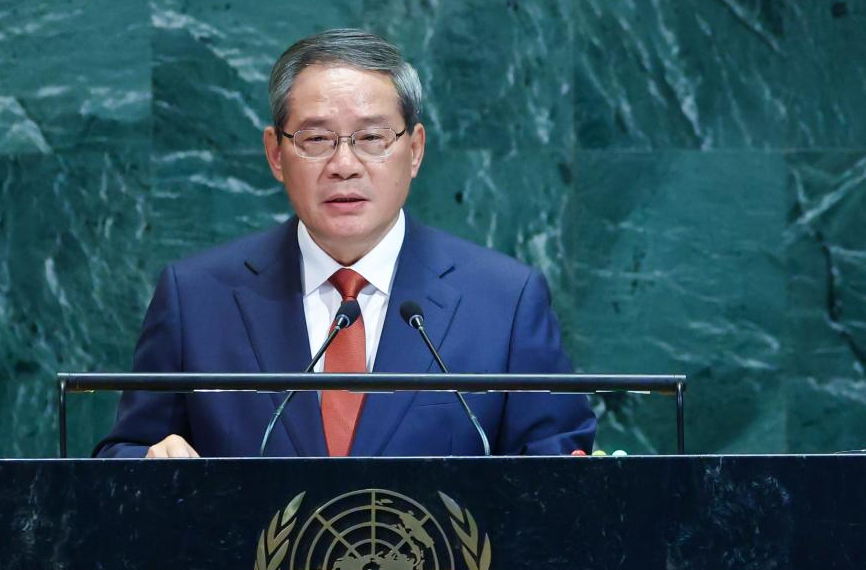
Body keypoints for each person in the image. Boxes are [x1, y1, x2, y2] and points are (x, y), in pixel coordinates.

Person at [93, 28, 596, 459]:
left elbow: (557, 465)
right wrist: (149, 466)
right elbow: (125, 453)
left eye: (372, 138)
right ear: (275, 153)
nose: (345, 165)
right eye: (316, 140)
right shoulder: (196, 297)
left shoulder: (505, 300)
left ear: (414, 150)